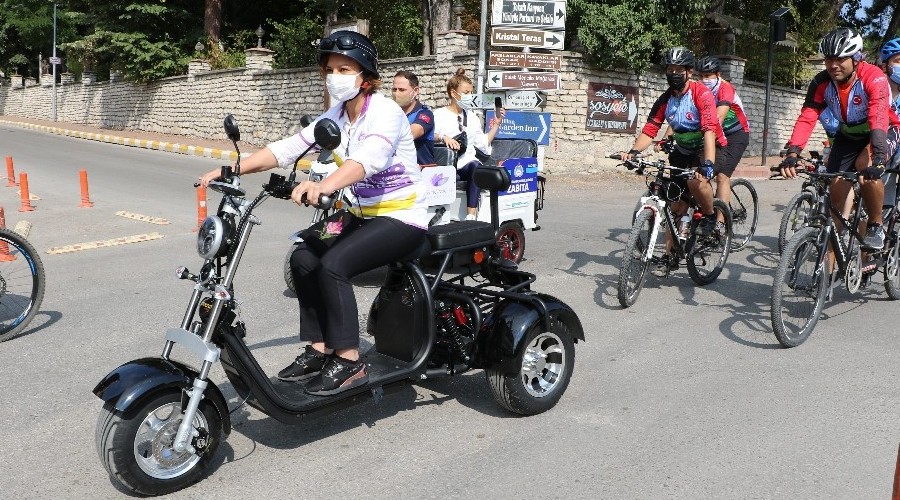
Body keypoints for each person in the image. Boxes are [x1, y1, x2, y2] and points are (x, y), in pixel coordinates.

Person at [200, 31, 429, 396]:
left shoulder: (384, 112)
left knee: (335, 264)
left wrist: (325, 185)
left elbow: (367, 160)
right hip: (358, 213)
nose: (334, 76)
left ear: (365, 75)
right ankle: (322, 348)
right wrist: (233, 170)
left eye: (344, 68)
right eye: (330, 69)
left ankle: (351, 361)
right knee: (305, 254)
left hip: (401, 216)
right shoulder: (336, 115)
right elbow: (288, 149)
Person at [779, 27, 900, 250]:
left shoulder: (873, 78)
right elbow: (808, 117)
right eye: (828, 59)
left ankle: (875, 225)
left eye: (840, 59)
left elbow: (878, 117)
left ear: (856, 58)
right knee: (835, 186)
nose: (833, 65)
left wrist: (880, 156)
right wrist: (793, 152)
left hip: (882, 130)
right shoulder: (821, 83)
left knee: (866, 168)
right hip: (849, 134)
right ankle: (830, 261)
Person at [621, 46, 726, 257]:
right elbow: (650, 129)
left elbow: (708, 131)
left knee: (696, 181)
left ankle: (709, 215)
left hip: (707, 146)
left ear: (689, 72)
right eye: (670, 70)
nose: (674, 74)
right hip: (683, 148)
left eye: (679, 70)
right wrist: (633, 152)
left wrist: (707, 164)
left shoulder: (701, 94)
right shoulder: (666, 98)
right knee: (675, 204)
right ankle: (669, 255)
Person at [433, 68, 506, 220]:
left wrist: (497, 124)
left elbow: (483, 144)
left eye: (471, 93)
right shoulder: (438, 115)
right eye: (466, 93)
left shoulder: (472, 117)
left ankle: (470, 215)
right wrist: (443, 137)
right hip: (446, 164)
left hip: (466, 164)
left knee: (475, 165)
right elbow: (427, 136)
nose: (470, 96)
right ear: (454, 93)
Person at [392, 70, 435, 166]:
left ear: (415, 91)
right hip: (394, 170)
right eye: (394, 89)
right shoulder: (390, 114)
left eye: (402, 90)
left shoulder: (425, 114)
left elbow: (409, 134)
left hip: (421, 172)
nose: (396, 93)